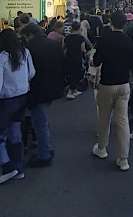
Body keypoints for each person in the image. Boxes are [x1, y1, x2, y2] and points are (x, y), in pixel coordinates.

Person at [91, 11, 133, 171]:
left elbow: (96, 62)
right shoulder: (129, 42)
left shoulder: (104, 40)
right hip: (124, 84)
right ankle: (123, 159)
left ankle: (101, 148)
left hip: (107, 83)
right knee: (123, 121)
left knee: (104, 117)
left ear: (111, 22)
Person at [20, 24, 66, 167]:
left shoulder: (29, 49)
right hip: (53, 88)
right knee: (41, 121)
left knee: (39, 123)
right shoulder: (54, 44)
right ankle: (45, 149)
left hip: (37, 89)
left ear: (30, 35)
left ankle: (44, 154)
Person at [0, 29, 35, 183]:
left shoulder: (1, 57)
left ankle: (7, 166)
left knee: (2, 135)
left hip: (6, 101)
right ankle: (19, 168)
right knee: (15, 134)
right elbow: (31, 73)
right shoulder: (25, 52)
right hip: (22, 97)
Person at [63, 22, 88, 99]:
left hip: (68, 57)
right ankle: (71, 91)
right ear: (79, 28)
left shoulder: (67, 37)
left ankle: (74, 90)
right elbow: (83, 49)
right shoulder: (81, 38)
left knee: (71, 73)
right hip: (77, 57)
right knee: (77, 73)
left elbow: (64, 47)